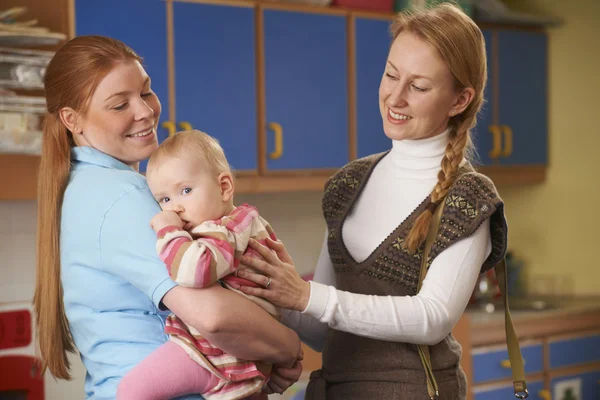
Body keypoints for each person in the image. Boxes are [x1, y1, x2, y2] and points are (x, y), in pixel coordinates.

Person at [235, 4, 508, 399]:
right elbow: (325, 329)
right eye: (391, 75)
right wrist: (271, 289)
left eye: (418, 86)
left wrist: (307, 296)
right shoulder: (348, 183)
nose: (394, 97)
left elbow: (432, 318)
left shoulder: (468, 200)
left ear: (459, 99)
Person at [33, 35, 302, 400]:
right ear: (72, 119)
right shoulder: (122, 195)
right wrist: (288, 347)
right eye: (118, 105)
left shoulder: (84, 187)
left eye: (145, 91)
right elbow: (213, 316)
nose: (145, 111)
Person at [117, 130, 285, 400]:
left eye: (185, 190)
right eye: (165, 199)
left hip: (210, 353)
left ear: (224, 187)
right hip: (242, 357)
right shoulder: (245, 224)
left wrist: (169, 233)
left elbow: (197, 271)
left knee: (131, 391)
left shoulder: (227, 230)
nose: (176, 208)